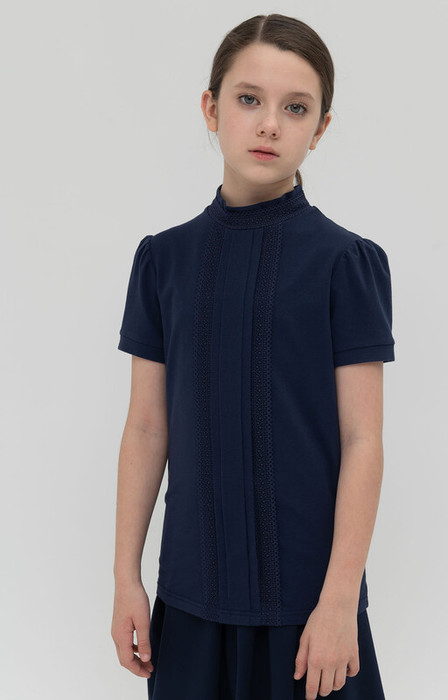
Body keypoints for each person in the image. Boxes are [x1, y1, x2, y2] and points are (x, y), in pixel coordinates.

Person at [111, 13, 396, 700]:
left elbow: (362, 440)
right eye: (249, 99)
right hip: (190, 600)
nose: (269, 124)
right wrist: (126, 578)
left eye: (295, 108)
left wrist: (339, 602)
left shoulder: (347, 264)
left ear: (320, 128)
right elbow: (147, 427)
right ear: (211, 109)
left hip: (310, 612)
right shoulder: (162, 260)